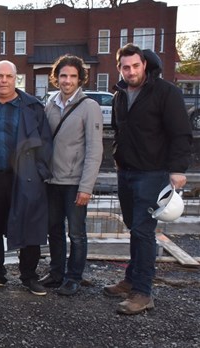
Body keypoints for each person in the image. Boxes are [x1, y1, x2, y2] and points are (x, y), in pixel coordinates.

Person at [104, 44, 192, 315]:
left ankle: (143, 293)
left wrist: (177, 169)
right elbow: (119, 130)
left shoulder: (166, 92)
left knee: (143, 231)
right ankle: (132, 279)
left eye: (135, 66)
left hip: (153, 173)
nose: (131, 71)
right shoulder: (120, 94)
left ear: (144, 65)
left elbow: (180, 133)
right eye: (125, 67)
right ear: (119, 68)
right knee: (135, 228)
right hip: (126, 171)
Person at [0, 60, 53, 296]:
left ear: (16, 79)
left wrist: (39, 173)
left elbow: (45, 143)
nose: (3, 80)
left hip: (25, 179)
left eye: (8, 76)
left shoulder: (33, 107)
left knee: (29, 226)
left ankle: (29, 276)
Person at [38, 55, 103, 296]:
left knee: (76, 232)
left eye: (73, 76)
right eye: (63, 75)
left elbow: (95, 150)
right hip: (52, 181)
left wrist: (86, 187)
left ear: (80, 79)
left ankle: (74, 277)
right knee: (53, 229)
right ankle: (56, 273)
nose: (67, 80)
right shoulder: (50, 104)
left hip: (75, 182)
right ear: (56, 78)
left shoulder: (89, 107)